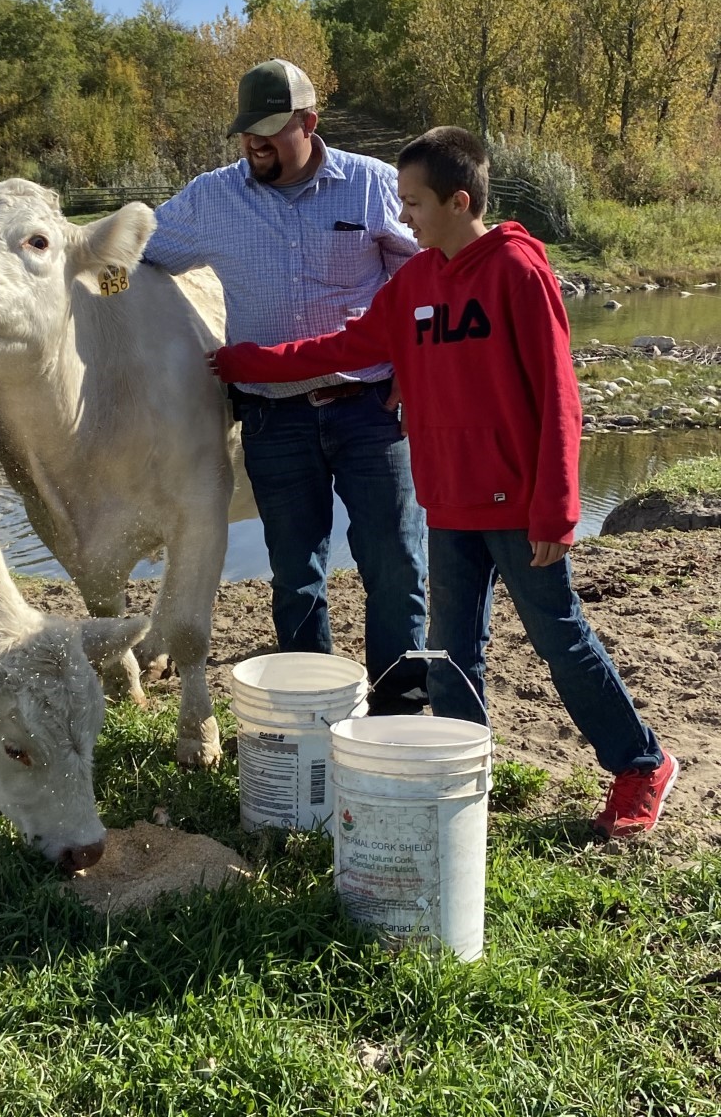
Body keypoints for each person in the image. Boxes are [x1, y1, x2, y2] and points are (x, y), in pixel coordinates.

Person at [209, 125, 678, 838]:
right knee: (455, 656)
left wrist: (557, 507)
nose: (403, 217)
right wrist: (249, 362)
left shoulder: (518, 272)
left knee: (560, 638)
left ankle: (641, 764)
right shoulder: (416, 283)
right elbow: (343, 348)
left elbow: (559, 395)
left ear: (460, 202)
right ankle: (463, 778)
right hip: (448, 505)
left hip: (520, 508)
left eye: (416, 203)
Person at [142, 58, 428, 715]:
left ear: (309, 122)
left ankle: (398, 714)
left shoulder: (373, 185)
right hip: (274, 420)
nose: (255, 143)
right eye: (247, 130)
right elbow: (132, 250)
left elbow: (432, 278)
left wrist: (417, 372)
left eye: (271, 130)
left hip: (372, 409)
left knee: (396, 566)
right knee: (295, 577)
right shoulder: (212, 197)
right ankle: (312, 713)